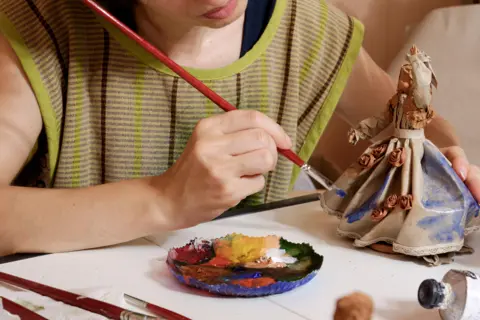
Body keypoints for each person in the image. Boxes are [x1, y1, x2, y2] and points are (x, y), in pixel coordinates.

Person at [0, 0, 478, 257]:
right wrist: (164, 199)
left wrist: (449, 160)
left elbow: (416, 124)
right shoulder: (38, 27)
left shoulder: (308, 26)